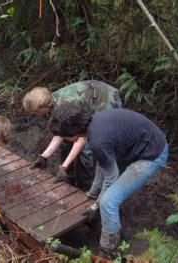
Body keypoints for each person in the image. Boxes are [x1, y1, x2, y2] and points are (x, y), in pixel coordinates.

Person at [49, 103, 168, 259]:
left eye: (64, 136)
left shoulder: (98, 141)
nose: (64, 139)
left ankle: (107, 252)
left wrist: (96, 205)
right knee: (105, 194)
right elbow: (103, 164)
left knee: (109, 202)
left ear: (73, 132)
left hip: (151, 155)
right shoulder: (95, 124)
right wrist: (92, 192)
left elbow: (110, 177)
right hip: (136, 145)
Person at [22, 80, 122, 187]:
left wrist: (64, 166)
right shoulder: (52, 102)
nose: (35, 114)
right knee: (67, 142)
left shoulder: (68, 105)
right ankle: (69, 177)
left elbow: (81, 138)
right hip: (88, 98)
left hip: (103, 99)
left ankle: (85, 185)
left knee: (87, 148)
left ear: (44, 107)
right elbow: (61, 132)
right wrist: (44, 156)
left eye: (35, 111)